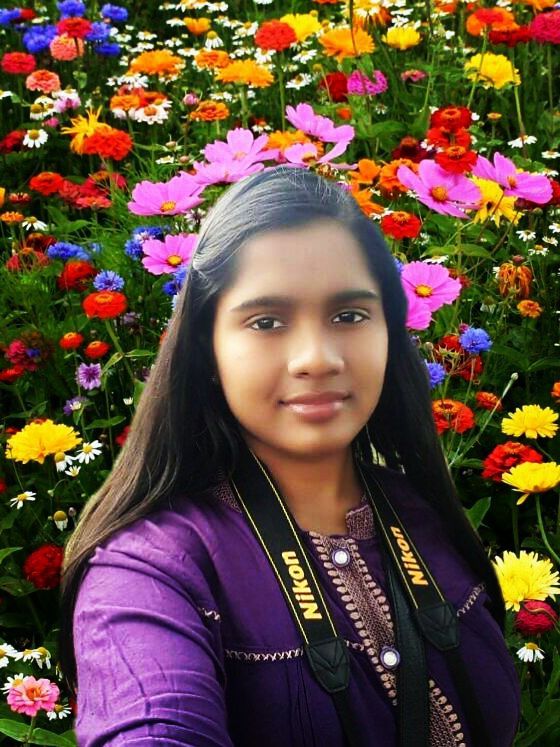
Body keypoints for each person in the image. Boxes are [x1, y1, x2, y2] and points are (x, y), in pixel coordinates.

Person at [58, 167, 521, 746]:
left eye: (349, 315)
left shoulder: (423, 514)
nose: (317, 358)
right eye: (267, 321)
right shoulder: (153, 572)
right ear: (206, 349)